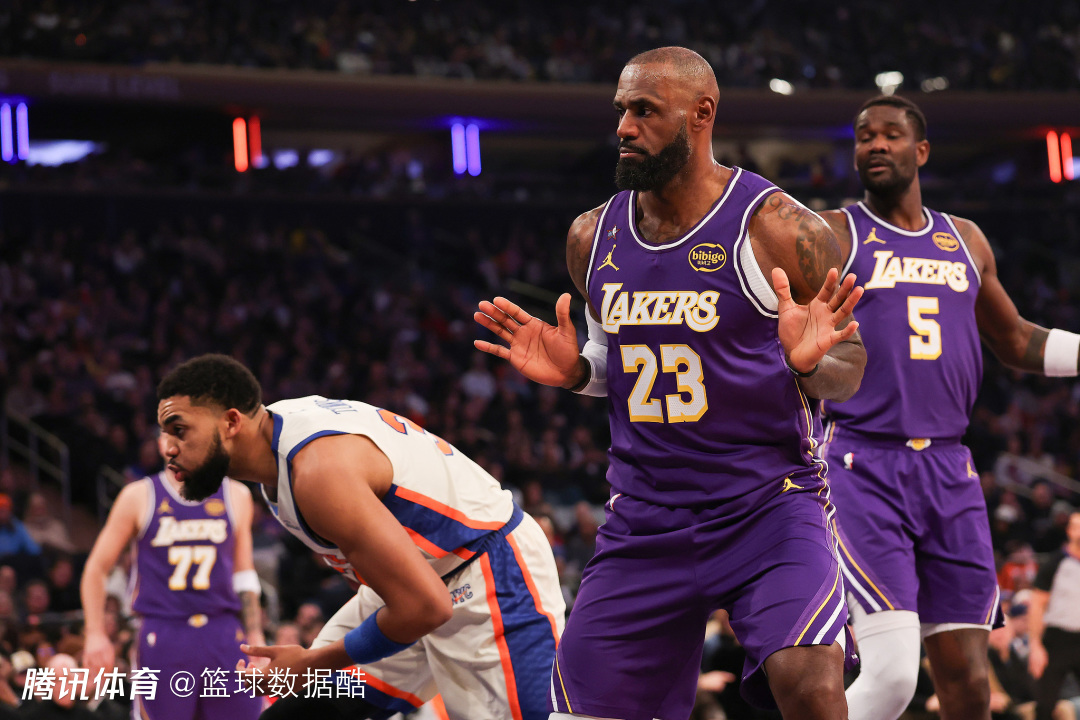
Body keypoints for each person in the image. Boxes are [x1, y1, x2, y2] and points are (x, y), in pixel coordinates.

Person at [475, 46, 865, 720]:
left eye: (645, 111)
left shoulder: (777, 227)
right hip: (645, 517)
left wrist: (807, 363)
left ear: (701, 114)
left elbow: (851, 368)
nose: (624, 127)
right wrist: (576, 371)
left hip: (766, 506)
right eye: (621, 110)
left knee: (813, 693)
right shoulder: (591, 237)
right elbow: (611, 365)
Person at [815, 94, 1080, 720]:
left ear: (922, 150)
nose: (876, 144)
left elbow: (1016, 340)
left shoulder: (965, 238)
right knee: (891, 677)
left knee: (969, 684)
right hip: (862, 463)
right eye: (864, 136)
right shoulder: (833, 233)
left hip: (949, 469)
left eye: (891, 134)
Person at [154, 354, 564, 720]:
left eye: (179, 430)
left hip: (487, 570)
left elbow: (426, 608)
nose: (168, 448)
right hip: (416, 583)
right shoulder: (276, 451)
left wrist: (311, 662)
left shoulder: (317, 472)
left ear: (231, 422)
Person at [80, 433, 264, 720]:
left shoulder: (236, 494)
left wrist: (255, 634)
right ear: (160, 443)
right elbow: (96, 568)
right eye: (170, 432)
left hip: (223, 629)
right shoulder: (139, 495)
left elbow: (244, 572)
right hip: (164, 630)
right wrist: (94, 633)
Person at [1028, 511, 1080, 720]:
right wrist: (1035, 645)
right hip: (1058, 639)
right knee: (1045, 704)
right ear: (1069, 531)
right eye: (1076, 527)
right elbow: (1037, 605)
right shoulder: (1056, 563)